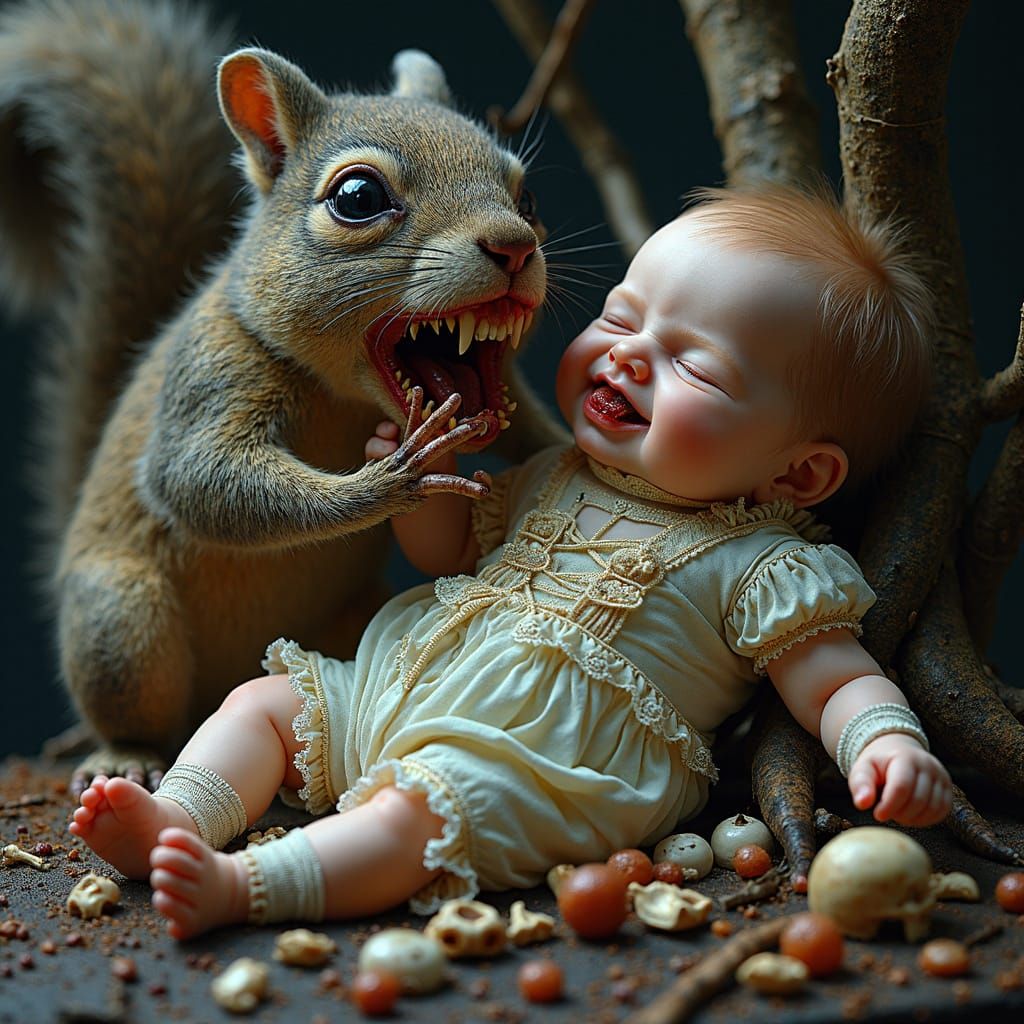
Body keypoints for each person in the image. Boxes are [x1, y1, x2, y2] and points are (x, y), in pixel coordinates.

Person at [70, 184, 952, 940]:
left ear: (798, 472)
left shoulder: (760, 563)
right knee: (267, 704)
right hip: (402, 689)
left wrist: (885, 740)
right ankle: (179, 815)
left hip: (546, 767)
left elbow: (834, 679)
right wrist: (433, 482)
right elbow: (446, 551)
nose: (627, 355)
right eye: (621, 316)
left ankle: (248, 889)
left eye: (694, 366)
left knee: (416, 814)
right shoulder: (551, 475)